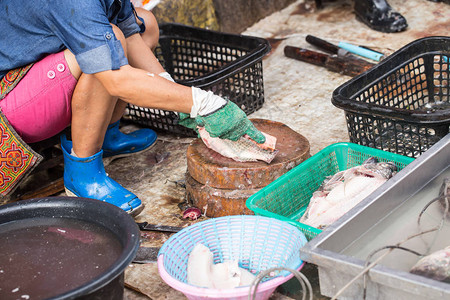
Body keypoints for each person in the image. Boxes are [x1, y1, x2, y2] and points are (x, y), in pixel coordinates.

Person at [0, 0, 266, 215]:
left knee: (142, 24)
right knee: (108, 49)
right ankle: (83, 175)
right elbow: (115, 77)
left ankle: (104, 134)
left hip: (40, 70)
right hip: (11, 103)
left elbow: (133, 38)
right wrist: (205, 103)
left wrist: (180, 104)